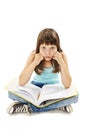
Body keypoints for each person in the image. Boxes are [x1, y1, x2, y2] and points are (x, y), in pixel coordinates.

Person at [7, 28, 78, 114]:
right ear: (38, 47)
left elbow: (67, 85)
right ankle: (56, 106)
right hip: (35, 87)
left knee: (75, 97)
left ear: (57, 47)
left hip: (53, 87)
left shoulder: (61, 56)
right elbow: (21, 82)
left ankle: (30, 108)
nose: (48, 52)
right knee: (10, 93)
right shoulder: (33, 55)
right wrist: (35, 63)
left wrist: (61, 63)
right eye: (44, 47)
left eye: (52, 48)